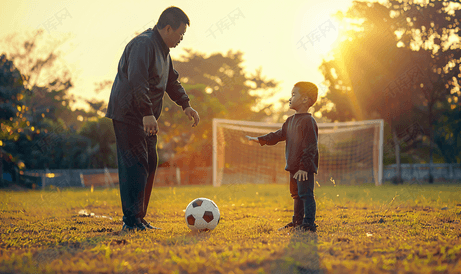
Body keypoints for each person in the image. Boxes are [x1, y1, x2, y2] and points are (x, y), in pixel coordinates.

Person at [105, 6, 200, 231]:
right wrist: (147, 113)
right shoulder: (143, 44)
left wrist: (186, 105)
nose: (181, 39)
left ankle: (139, 218)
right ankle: (131, 220)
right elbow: (137, 80)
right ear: (168, 28)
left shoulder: (163, 51)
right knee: (135, 164)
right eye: (180, 34)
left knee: (149, 162)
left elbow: (171, 81)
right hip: (129, 114)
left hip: (145, 116)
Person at [246, 82, 319, 232]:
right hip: (293, 167)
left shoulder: (308, 121)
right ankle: (297, 221)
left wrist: (304, 168)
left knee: (305, 194)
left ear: (305, 99)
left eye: (293, 95)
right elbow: (278, 135)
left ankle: (309, 223)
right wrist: (261, 139)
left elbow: (311, 146)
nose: (290, 98)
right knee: (296, 195)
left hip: (303, 169)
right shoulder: (290, 121)